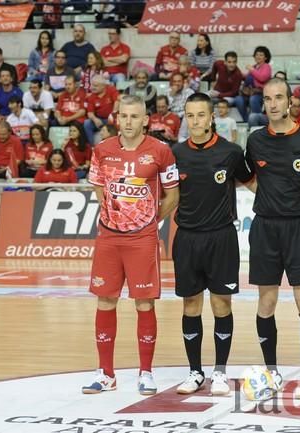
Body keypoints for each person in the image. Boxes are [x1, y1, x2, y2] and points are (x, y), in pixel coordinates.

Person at [81, 94, 179, 395]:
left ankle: (146, 373)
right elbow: (98, 185)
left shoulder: (161, 152)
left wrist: (147, 220)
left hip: (142, 239)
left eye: (134, 117)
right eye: (123, 116)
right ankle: (106, 374)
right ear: (116, 117)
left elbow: (172, 196)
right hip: (109, 237)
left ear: (146, 120)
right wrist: (115, 211)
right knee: (105, 300)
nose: (128, 122)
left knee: (144, 303)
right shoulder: (102, 150)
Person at [245, 77, 300, 397]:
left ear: (290, 102)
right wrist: (267, 196)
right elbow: (248, 177)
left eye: (279, 98)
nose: (273, 104)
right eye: (267, 98)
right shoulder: (255, 140)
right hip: (265, 228)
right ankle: (271, 370)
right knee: (267, 301)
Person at [171, 92, 253, 396]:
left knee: (221, 305)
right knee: (191, 305)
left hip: (222, 238)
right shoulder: (175, 153)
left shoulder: (231, 152)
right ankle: (195, 372)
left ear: (211, 117)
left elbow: (254, 182)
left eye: (200, 115)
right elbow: (168, 195)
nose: (195, 121)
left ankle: (219, 372)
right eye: (189, 116)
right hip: (187, 239)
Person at [236, 46, 272, 122]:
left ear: (265, 57)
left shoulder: (266, 66)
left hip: (261, 93)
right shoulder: (254, 67)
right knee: (238, 99)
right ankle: (247, 120)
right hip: (249, 92)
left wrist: (252, 70)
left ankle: (258, 119)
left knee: (253, 99)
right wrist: (237, 72)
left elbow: (262, 78)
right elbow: (246, 77)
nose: (258, 57)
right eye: (257, 54)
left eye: (261, 55)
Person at [84, 75, 120, 145]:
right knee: (87, 123)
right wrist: (95, 119)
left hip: (112, 117)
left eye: (96, 86)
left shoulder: (111, 89)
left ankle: (116, 144)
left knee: (117, 120)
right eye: (92, 85)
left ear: (103, 86)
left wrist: (112, 114)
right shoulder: (91, 97)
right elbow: (90, 113)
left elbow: (117, 101)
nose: (93, 88)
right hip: (99, 119)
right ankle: (92, 146)